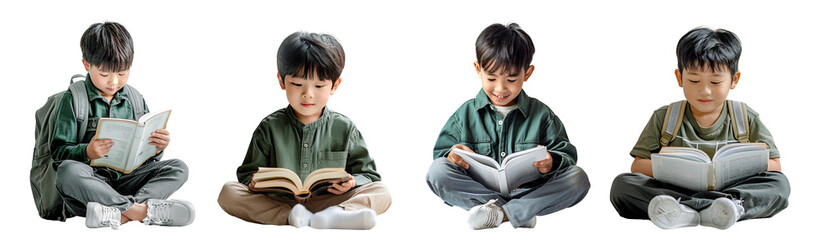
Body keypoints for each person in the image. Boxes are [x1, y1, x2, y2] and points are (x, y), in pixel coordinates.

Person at [609, 27, 790, 230]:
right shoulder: (665, 117)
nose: (704, 90)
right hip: (675, 191)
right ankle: (708, 210)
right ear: (679, 78)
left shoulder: (744, 117)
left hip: (730, 191)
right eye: (694, 80)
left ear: (734, 80)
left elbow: (775, 165)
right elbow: (637, 166)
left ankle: (706, 209)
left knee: (779, 185)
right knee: (622, 185)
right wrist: (675, 172)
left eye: (715, 81)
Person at [217, 31, 391, 230]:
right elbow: (247, 174)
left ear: (334, 86)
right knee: (228, 192)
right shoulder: (269, 127)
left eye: (319, 85)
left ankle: (338, 214)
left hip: (329, 202)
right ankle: (291, 217)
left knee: (381, 191)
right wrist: (254, 183)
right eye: (297, 84)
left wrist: (351, 182)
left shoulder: (345, 128)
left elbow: (369, 175)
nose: (308, 95)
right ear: (282, 82)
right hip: (279, 203)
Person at [426, 23, 590, 230]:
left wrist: (552, 162)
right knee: (436, 172)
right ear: (478, 70)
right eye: (491, 78)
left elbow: (566, 154)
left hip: (529, 191)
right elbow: (441, 156)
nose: (500, 88)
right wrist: (451, 155)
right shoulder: (464, 115)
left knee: (578, 178)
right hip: (479, 191)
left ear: (527, 73)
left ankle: (501, 213)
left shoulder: (542, 114)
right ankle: (519, 212)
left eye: (511, 79)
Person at [52, 21, 194, 229]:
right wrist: (87, 152)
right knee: (67, 172)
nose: (114, 82)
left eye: (122, 73)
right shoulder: (74, 99)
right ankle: (142, 212)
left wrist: (157, 148)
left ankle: (116, 214)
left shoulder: (135, 99)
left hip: (127, 182)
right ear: (86, 65)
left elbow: (146, 159)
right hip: (91, 187)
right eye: (104, 74)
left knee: (178, 167)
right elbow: (57, 154)